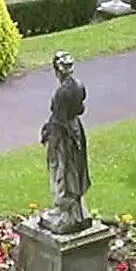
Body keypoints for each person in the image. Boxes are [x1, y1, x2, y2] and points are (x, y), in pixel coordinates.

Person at [39, 51, 90, 234]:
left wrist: (47, 133)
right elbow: (80, 109)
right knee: (74, 169)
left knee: (62, 170)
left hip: (62, 135)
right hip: (75, 130)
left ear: (57, 70)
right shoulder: (79, 86)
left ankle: (67, 213)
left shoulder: (62, 92)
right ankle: (77, 211)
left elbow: (58, 119)